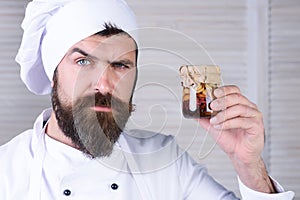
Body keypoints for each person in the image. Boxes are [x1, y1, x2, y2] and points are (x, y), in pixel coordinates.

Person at [0, 0, 295, 199]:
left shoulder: (165, 160)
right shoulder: (6, 172)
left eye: (120, 65)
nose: (104, 84)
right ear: (53, 72)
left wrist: (248, 165)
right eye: (83, 62)